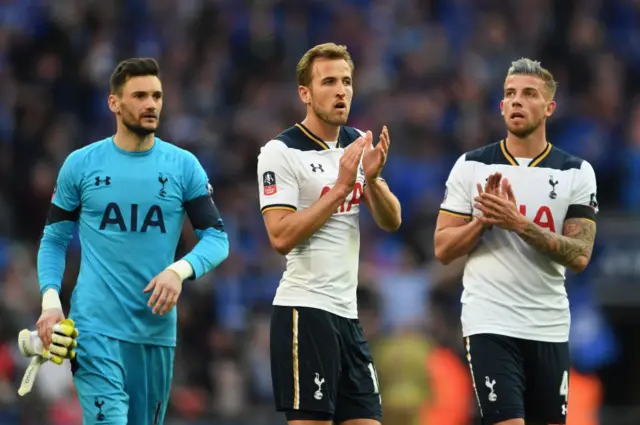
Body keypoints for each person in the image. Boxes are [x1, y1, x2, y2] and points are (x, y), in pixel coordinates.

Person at [35, 57, 229, 425]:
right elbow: (54, 240)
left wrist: (179, 271)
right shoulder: (81, 165)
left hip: (155, 333)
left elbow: (217, 239)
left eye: (156, 95)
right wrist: (50, 301)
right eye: (139, 95)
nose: (151, 104)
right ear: (115, 103)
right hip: (94, 329)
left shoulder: (183, 166)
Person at [434, 58, 598, 425]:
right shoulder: (471, 166)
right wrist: (482, 222)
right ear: (501, 106)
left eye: (529, 94)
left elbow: (580, 254)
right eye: (510, 94)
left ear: (549, 107)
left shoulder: (575, 172)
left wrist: (520, 223)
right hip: (489, 321)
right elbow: (443, 248)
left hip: (548, 324)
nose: (517, 101)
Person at [257, 43, 402, 425]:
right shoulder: (280, 151)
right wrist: (340, 189)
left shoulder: (356, 145)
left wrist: (370, 179)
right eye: (329, 82)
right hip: (305, 312)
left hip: (347, 317)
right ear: (305, 93)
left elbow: (392, 221)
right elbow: (280, 236)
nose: (341, 90)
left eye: (346, 81)